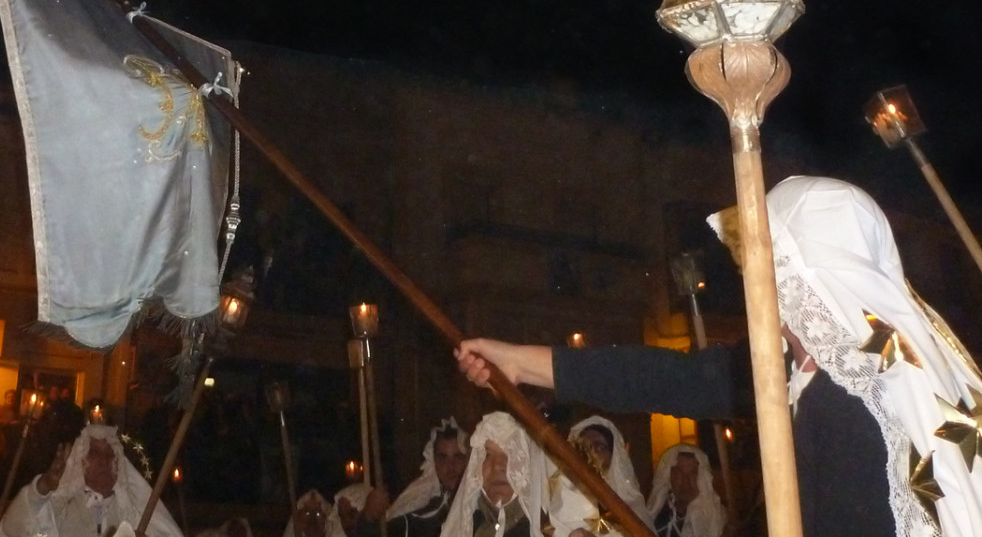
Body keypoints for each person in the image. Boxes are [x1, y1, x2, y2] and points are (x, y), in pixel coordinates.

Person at [456, 176, 982, 537]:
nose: (750, 277)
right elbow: (670, 378)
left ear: (803, 272)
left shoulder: (853, 399)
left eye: (764, 261)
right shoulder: (804, 368)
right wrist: (519, 363)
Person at [0, 423, 182, 537]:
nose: (103, 460)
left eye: (109, 454)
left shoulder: (132, 513)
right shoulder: (63, 508)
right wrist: (42, 487)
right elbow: (15, 529)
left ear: (118, 463)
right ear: (81, 460)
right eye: (94, 453)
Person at [440, 411, 597, 537]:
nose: (497, 466)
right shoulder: (467, 527)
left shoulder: (552, 529)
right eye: (487, 455)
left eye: (511, 454)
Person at [338, 417, 469, 537]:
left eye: (458, 456)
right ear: (433, 462)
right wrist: (369, 517)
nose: (450, 466)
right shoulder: (419, 514)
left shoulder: (480, 506)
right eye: (442, 457)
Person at [554, 416, 651, 532]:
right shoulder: (563, 498)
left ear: (613, 456)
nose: (592, 453)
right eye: (586, 447)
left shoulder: (631, 509)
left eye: (599, 447)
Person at [646, 444, 724, 537]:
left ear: (702, 478)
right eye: (679, 474)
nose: (686, 481)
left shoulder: (716, 519)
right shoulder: (657, 511)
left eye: (692, 474)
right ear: (669, 477)